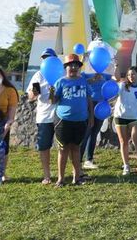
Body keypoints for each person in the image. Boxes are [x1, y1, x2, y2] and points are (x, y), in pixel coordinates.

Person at [49, 54, 93, 187]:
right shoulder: (61, 82)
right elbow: (54, 101)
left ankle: (77, 178)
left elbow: (89, 100)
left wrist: (91, 118)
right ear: (66, 67)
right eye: (70, 65)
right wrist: (51, 94)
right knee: (63, 150)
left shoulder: (84, 81)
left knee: (76, 148)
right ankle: (60, 179)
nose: (73, 68)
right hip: (63, 121)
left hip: (81, 121)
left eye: (76, 65)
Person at [27, 47, 58, 184]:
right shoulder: (37, 76)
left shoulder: (61, 73)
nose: (46, 60)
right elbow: (31, 97)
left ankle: (63, 173)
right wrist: (34, 93)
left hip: (60, 116)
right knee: (44, 147)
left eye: (49, 58)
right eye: (44, 58)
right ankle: (47, 175)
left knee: (66, 146)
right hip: (44, 117)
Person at [113, 66, 137, 175]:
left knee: (136, 140)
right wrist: (116, 67)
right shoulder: (122, 85)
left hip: (135, 117)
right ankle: (126, 166)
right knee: (123, 142)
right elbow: (115, 90)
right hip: (120, 116)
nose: (131, 77)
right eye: (128, 75)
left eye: (133, 74)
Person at [80, 68, 113, 171]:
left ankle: (89, 160)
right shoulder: (84, 73)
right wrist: (92, 80)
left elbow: (114, 81)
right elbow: (80, 84)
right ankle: (78, 160)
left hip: (102, 106)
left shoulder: (105, 74)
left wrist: (116, 66)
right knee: (86, 132)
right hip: (89, 104)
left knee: (94, 133)